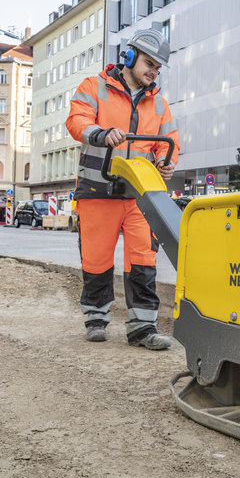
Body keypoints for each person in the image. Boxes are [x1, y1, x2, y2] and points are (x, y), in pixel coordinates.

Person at [65, 28, 179, 350]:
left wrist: (166, 161)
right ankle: (96, 319)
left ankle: (143, 328)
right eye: (149, 63)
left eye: (158, 67)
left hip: (141, 196)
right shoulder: (93, 87)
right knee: (96, 259)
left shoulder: (160, 104)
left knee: (143, 260)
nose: (153, 71)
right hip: (97, 190)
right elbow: (76, 120)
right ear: (129, 57)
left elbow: (168, 142)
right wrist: (101, 134)